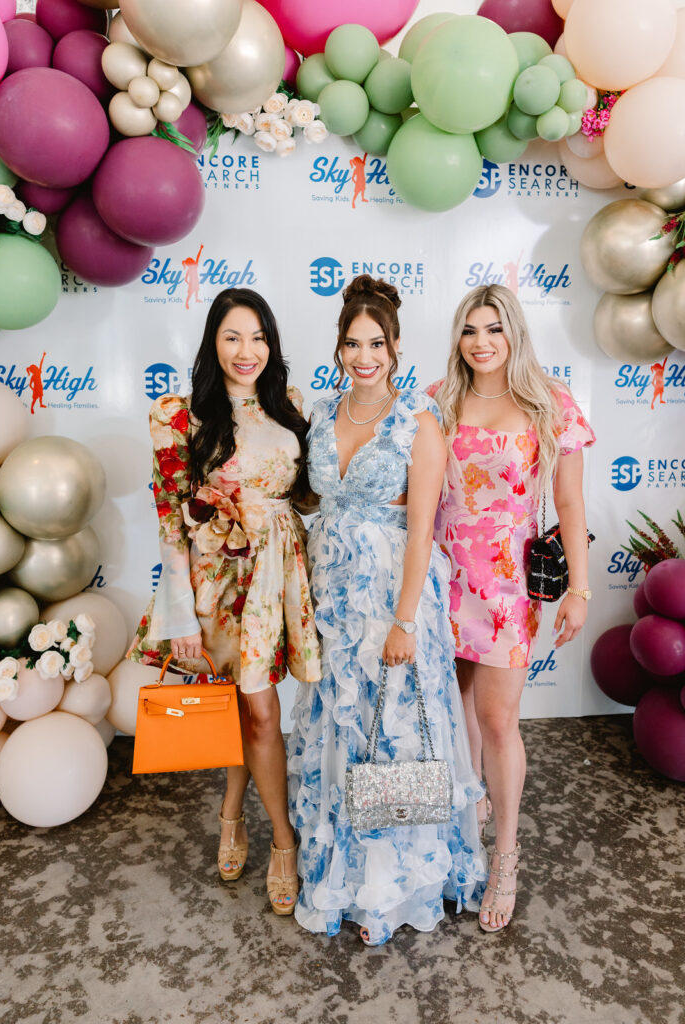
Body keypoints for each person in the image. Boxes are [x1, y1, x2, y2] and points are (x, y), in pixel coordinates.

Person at [288, 275, 485, 946]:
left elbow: (422, 531)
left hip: (390, 600)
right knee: (337, 732)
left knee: (391, 732)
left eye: (376, 343)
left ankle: (393, 886)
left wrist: (404, 622)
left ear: (396, 347)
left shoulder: (416, 422)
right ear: (339, 348)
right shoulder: (318, 414)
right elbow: (305, 502)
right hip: (330, 598)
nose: (363, 356)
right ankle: (339, 878)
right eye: (352, 343)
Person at [128, 288, 321, 915]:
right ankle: (282, 842)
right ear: (213, 341)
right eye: (234, 336)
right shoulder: (177, 416)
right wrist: (179, 615)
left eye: (259, 337)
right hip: (217, 583)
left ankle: (234, 813)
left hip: (278, 577)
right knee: (251, 711)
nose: (248, 351)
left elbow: (308, 496)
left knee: (257, 710)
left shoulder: (290, 407)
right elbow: (170, 525)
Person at [428, 284, 595, 934]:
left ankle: (505, 857)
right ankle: (465, 827)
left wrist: (578, 589)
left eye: (493, 329)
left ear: (513, 334)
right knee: (452, 713)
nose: (481, 341)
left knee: (497, 721)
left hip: (504, 587)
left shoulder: (550, 403)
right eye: (470, 329)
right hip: (444, 580)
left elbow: (573, 506)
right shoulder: (440, 399)